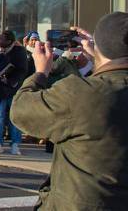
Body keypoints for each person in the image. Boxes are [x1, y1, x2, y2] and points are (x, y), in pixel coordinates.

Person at [12, 13, 128, 210]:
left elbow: (20, 110)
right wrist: (99, 56)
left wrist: (41, 72)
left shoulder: (80, 92)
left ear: (97, 47)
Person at [0, 30, 28, 155]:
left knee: (14, 118)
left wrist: (10, 80)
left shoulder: (19, 52)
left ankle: (15, 143)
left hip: (13, 90)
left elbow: (22, 70)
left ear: (9, 41)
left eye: (2, 39)